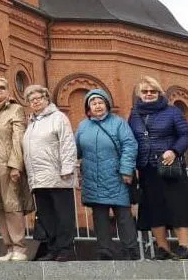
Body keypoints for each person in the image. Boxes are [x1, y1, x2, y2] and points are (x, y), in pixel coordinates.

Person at [128, 76, 188, 260]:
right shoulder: (134, 115)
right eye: (145, 92)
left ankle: (184, 246)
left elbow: (185, 135)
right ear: (139, 95)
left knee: (178, 206)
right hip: (147, 168)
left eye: (153, 91)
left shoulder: (172, 111)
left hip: (169, 166)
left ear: (160, 93)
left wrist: (174, 151)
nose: (149, 94)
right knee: (154, 208)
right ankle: (163, 248)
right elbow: (130, 140)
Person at [76, 89, 139, 260]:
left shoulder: (118, 123)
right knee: (100, 216)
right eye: (93, 103)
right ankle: (105, 250)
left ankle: (130, 250)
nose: (97, 106)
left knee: (123, 215)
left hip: (116, 177)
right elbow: (76, 150)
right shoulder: (83, 126)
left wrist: (126, 169)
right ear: (88, 107)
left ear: (107, 105)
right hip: (93, 178)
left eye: (100, 102)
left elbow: (129, 145)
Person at [0, 77, 33, 262]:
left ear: (8, 92)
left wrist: (15, 165)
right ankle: (8, 247)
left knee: (12, 205)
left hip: (7, 166)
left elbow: (19, 138)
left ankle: (20, 247)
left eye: (2, 87)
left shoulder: (15, 109)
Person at [22, 84, 77, 262]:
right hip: (38, 179)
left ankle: (65, 249)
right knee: (47, 215)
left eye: (39, 98)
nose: (36, 102)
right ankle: (53, 248)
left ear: (47, 99)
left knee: (63, 214)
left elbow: (67, 143)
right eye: (32, 100)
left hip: (57, 175)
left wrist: (67, 169)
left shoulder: (58, 118)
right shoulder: (32, 122)